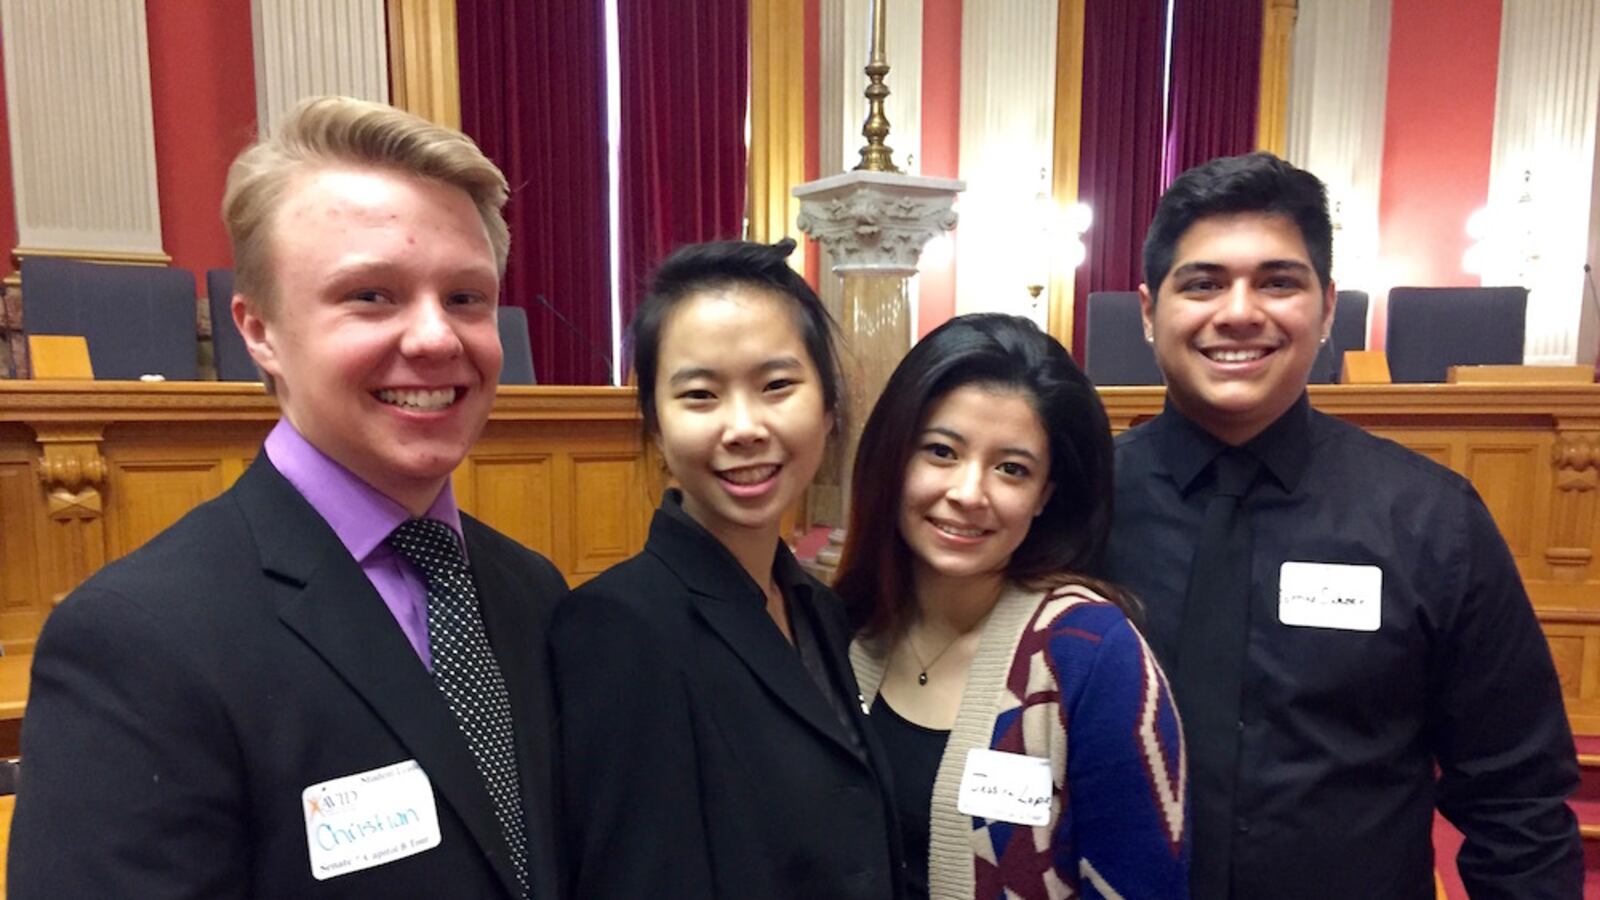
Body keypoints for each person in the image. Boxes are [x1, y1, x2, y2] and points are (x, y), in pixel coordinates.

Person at [9, 96, 567, 899]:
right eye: (371, 295)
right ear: (259, 330)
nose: (437, 338)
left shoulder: (531, 591)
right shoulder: (137, 643)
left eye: (466, 298)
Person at [1105, 151, 1582, 898]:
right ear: (1147, 311)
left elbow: (1515, 799)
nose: (1238, 311)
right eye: (1202, 283)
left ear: (1327, 308)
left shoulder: (1431, 519)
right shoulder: (1077, 504)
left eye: (1277, 282)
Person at [550, 238, 901, 899]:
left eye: (776, 386)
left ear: (828, 407)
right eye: (701, 395)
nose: (743, 427)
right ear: (655, 421)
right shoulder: (618, 628)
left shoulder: (817, 608)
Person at [836, 313, 1189, 900]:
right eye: (941, 452)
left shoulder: (1092, 657)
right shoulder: (840, 629)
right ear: (894, 458)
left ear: (1045, 495)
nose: (969, 493)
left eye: (1011, 469)